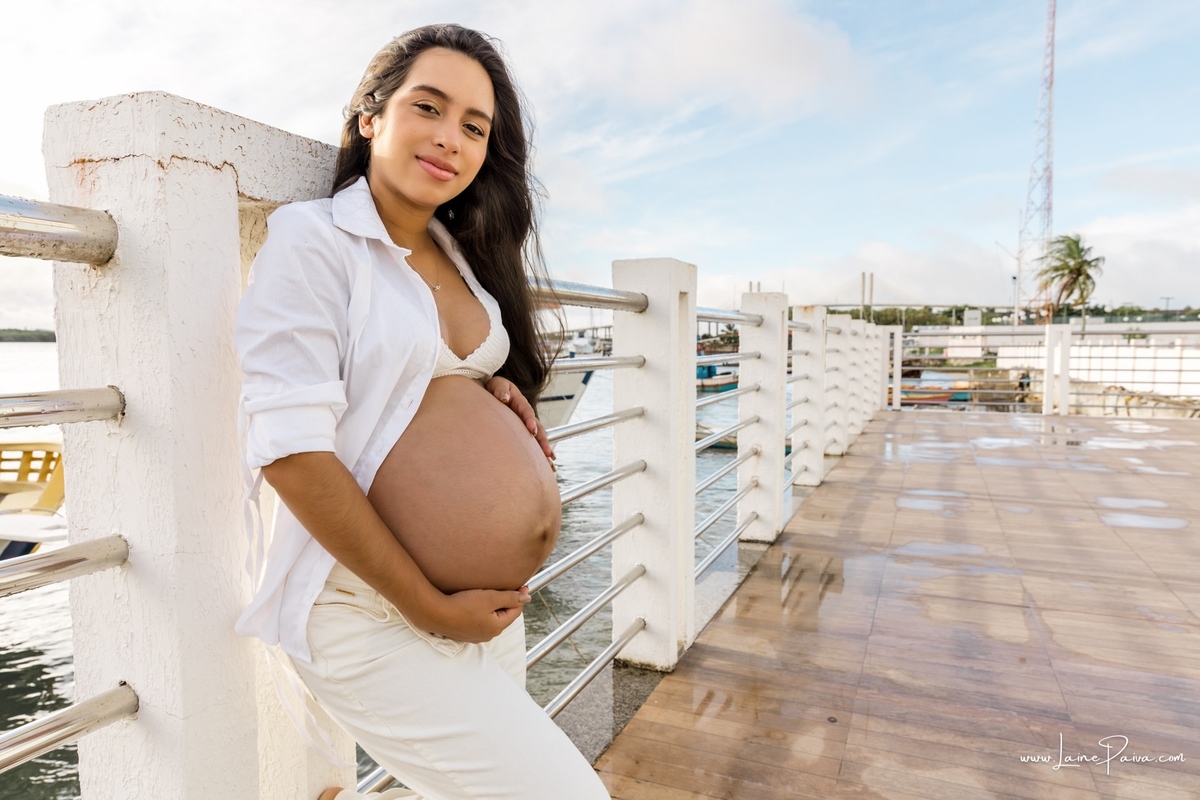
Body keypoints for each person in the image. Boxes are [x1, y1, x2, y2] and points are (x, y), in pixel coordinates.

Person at [234, 24, 612, 800]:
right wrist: (428, 605)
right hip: (370, 611)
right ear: (371, 115)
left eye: (475, 127)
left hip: (478, 609)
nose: (450, 139)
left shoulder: (459, 250)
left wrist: (488, 389)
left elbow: (413, 383)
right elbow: (292, 452)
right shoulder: (315, 242)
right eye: (428, 108)